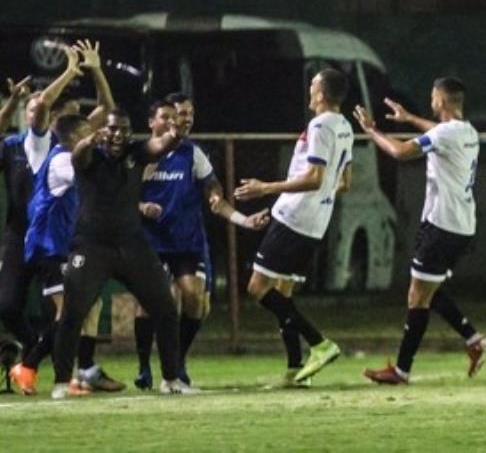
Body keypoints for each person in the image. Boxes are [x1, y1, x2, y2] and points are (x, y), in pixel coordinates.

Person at [354, 77, 486, 384]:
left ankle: (401, 370)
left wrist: (372, 131)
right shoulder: (467, 131)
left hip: (441, 224)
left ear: (440, 101)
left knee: (417, 296)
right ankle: (473, 340)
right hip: (461, 224)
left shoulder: (446, 134)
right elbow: (438, 133)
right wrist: (408, 118)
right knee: (430, 289)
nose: (430, 101)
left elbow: (401, 152)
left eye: (433, 97)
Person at [8, 41, 124, 395]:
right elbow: (42, 105)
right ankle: (31, 366)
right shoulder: (41, 144)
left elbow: (106, 109)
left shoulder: (73, 141)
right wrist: (70, 71)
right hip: (41, 239)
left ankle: (64, 372)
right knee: (66, 311)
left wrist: (96, 69)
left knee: (77, 308)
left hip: (61, 239)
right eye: (70, 111)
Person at [50, 108, 189, 399]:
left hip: (131, 243)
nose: (118, 135)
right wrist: (89, 140)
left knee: (165, 308)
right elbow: (78, 157)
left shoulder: (135, 152)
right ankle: (62, 381)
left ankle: (171, 379)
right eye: (113, 129)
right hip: (91, 245)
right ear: (102, 131)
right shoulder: (91, 155)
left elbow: (158, 145)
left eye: (124, 130)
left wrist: (174, 133)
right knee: (73, 313)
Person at [133, 96, 269, 389]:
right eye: (166, 117)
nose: (173, 122)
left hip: (186, 242)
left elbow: (213, 192)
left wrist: (242, 219)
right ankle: (144, 366)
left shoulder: (191, 153)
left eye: (178, 116)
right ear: (151, 122)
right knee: (148, 304)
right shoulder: (141, 154)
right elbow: (122, 197)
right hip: (151, 243)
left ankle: (176, 362)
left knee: (194, 298)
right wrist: (141, 207)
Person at [234, 68, 352, 386]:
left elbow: (314, 178)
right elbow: (343, 182)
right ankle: (295, 371)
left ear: (321, 94)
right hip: (314, 221)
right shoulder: (344, 127)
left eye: (313, 84)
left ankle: (320, 344)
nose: (309, 88)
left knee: (258, 289)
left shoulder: (320, 125)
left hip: (296, 218)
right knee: (283, 293)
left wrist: (266, 188)